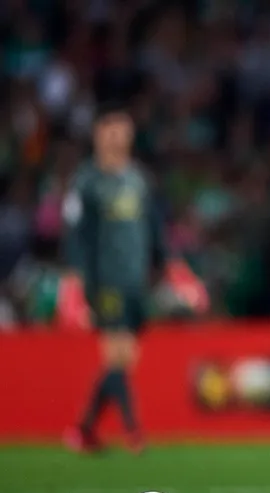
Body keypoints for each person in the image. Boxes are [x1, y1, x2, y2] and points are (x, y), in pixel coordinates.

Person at [61, 101, 168, 454]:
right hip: (105, 280)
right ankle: (133, 430)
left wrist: (169, 265)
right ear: (97, 134)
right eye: (110, 129)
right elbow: (76, 235)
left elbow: (154, 227)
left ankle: (84, 429)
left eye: (122, 129)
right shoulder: (87, 182)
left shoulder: (138, 179)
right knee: (117, 354)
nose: (117, 136)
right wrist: (75, 282)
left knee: (124, 360)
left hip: (135, 279)